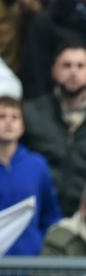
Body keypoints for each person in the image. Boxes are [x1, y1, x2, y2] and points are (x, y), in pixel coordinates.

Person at [21, 43, 86, 213]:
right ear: (54, 70)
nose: (73, 72)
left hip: (84, 217)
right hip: (35, 210)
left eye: (80, 66)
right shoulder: (31, 115)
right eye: (66, 65)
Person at [0, 94, 59, 257]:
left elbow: (50, 215)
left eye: (15, 117)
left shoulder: (37, 165)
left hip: (29, 263)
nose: (9, 122)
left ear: (22, 126)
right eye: (2, 116)